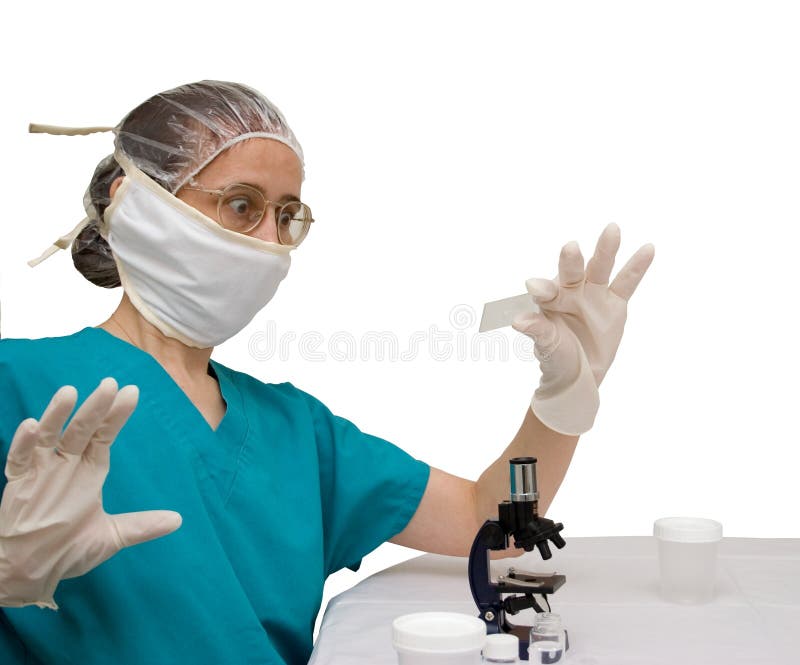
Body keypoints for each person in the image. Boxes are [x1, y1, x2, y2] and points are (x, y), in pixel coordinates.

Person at [0, 80, 654, 665]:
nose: (269, 242)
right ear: (134, 201)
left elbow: (499, 520)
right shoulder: (16, 381)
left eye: (286, 216)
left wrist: (561, 401)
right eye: (240, 205)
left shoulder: (299, 432)